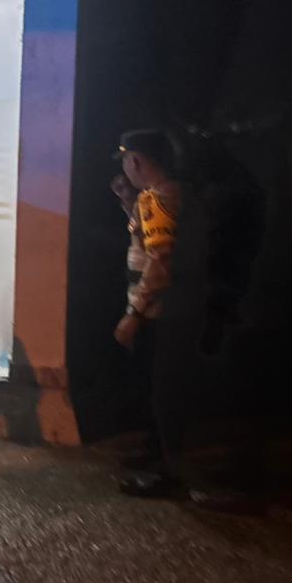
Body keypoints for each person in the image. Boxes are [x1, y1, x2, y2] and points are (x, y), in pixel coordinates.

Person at [111, 129, 184, 495]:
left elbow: (159, 262)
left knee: (160, 391)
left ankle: (166, 470)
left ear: (136, 160)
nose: (125, 169)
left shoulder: (160, 198)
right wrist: (129, 202)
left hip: (156, 312)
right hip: (159, 311)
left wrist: (134, 314)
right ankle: (156, 453)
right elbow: (146, 238)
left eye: (126, 161)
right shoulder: (158, 195)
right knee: (156, 388)